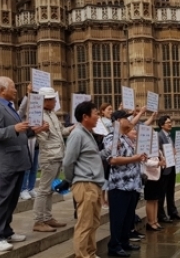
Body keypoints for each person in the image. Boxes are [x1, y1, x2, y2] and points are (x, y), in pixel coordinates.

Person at [0, 77, 47, 252]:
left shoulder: (10, 108)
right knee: (1, 199)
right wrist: (14, 129)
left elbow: (19, 133)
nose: (15, 90)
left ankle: (6, 230)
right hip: (6, 162)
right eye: (13, 87)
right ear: (3, 90)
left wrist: (33, 130)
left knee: (11, 200)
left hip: (18, 161)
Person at [62, 101, 105, 258]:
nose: (98, 117)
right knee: (84, 224)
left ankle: (91, 253)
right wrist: (72, 180)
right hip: (85, 184)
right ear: (85, 116)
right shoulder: (78, 134)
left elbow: (90, 157)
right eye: (95, 114)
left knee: (93, 223)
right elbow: (68, 161)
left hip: (93, 184)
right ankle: (82, 255)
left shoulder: (88, 134)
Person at [103, 110, 146, 257]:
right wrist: (135, 158)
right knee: (118, 218)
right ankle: (114, 246)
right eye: (127, 118)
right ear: (119, 121)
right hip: (119, 185)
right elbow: (113, 160)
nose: (130, 120)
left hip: (132, 184)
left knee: (128, 217)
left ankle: (124, 241)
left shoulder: (127, 138)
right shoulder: (112, 137)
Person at [33, 87, 74, 232]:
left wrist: (73, 128)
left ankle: (47, 217)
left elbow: (61, 131)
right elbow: (42, 137)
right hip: (49, 156)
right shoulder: (37, 115)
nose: (55, 101)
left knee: (50, 189)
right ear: (46, 101)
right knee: (44, 190)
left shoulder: (52, 114)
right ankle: (38, 221)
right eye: (53, 99)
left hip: (57, 155)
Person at [157, 115, 180, 223]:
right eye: (168, 122)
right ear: (161, 125)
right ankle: (161, 215)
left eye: (170, 122)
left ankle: (173, 212)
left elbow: (173, 150)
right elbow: (157, 151)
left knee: (170, 191)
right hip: (164, 168)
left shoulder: (169, 136)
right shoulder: (159, 136)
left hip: (172, 166)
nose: (170, 124)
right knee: (162, 192)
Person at [18, 84, 39, 200]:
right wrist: (28, 94)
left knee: (34, 167)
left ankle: (31, 187)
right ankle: (23, 189)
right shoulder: (20, 116)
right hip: (26, 142)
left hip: (35, 141)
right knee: (26, 167)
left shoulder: (36, 115)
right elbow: (21, 109)